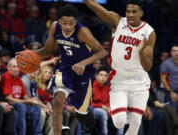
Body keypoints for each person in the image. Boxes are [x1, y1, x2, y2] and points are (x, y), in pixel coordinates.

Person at [83, 0, 156, 135]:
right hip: (119, 79)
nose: (130, 15)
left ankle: (135, 115)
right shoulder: (118, 21)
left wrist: (140, 52)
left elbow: (148, 66)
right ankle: (130, 113)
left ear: (141, 13)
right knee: (119, 121)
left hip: (139, 80)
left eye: (134, 12)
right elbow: (97, 9)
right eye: (128, 11)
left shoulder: (149, 33)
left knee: (134, 126)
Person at [35, 4, 108, 135]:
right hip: (65, 68)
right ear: (59, 21)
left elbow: (102, 52)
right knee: (57, 102)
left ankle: (87, 115)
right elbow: (47, 50)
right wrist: (30, 54)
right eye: (64, 23)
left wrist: (84, 63)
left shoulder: (83, 32)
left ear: (76, 22)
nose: (68, 27)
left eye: (71, 23)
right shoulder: (55, 27)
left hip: (84, 72)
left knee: (81, 113)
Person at [0, 58, 42, 135]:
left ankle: (37, 133)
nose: (16, 69)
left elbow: (25, 96)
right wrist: (28, 101)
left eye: (18, 67)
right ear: (8, 67)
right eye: (14, 66)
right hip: (10, 104)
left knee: (36, 107)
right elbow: (9, 99)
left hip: (20, 104)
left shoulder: (19, 79)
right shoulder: (6, 77)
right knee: (21, 106)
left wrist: (32, 101)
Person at [91, 67, 110, 135]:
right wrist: (101, 106)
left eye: (105, 76)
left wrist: (108, 107)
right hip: (94, 109)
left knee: (119, 112)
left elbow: (109, 102)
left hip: (106, 109)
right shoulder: (91, 87)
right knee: (103, 113)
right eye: (101, 75)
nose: (103, 77)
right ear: (96, 76)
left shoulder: (107, 88)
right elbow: (89, 104)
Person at [0, 59, 14, 135]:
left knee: (10, 108)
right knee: (0, 109)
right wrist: (0, 103)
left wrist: (5, 104)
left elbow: (0, 96)